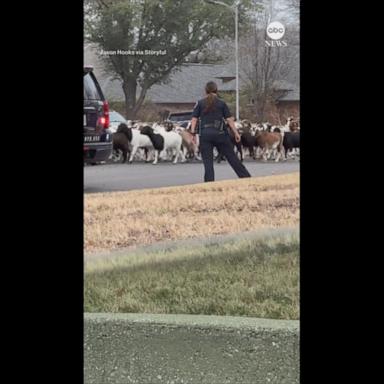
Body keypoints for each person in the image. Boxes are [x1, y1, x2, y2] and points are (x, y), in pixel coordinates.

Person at [190, 81, 251, 182]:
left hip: (205, 134)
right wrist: (236, 133)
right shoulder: (221, 103)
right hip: (220, 134)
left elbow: (194, 119)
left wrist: (192, 134)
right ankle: (245, 177)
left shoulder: (200, 103)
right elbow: (229, 120)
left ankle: (209, 182)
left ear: (205, 91)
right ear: (216, 90)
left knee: (208, 162)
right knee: (232, 157)